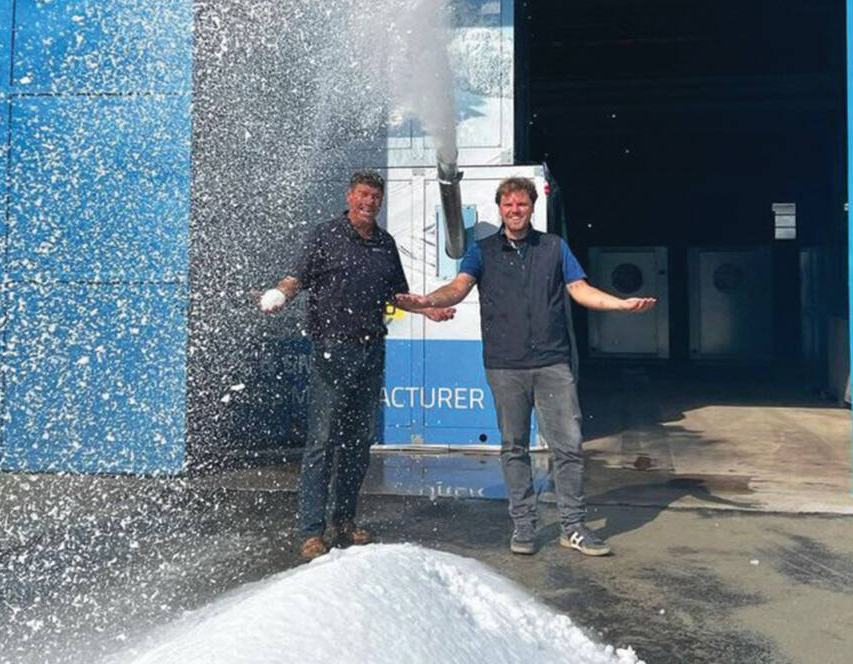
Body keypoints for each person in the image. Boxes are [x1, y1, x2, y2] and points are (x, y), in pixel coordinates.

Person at [396, 177, 655, 556]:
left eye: (521, 204)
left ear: (532, 208)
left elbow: (580, 290)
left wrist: (620, 304)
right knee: (513, 447)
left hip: (552, 362)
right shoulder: (481, 251)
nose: (515, 211)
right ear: (499, 209)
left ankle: (573, 526)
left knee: (568, 447)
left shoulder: (554, 247)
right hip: (505, 365)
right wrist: (426, 300)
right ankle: (523, 527)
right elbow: (458, 288)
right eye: (508, 205)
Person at [256, 169, 454, 560]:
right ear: (350, 197)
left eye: (375, 197)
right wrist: (280, 293)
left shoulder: (385, 243)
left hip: (370, 351)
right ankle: (311, 531)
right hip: (331, 350)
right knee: (322, 442)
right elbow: (297, 277)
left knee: (358, 442)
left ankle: (344, 521)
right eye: (363, 195)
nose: (369, 202)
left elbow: (395, 294)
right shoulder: (324, 235)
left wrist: (428, 310)